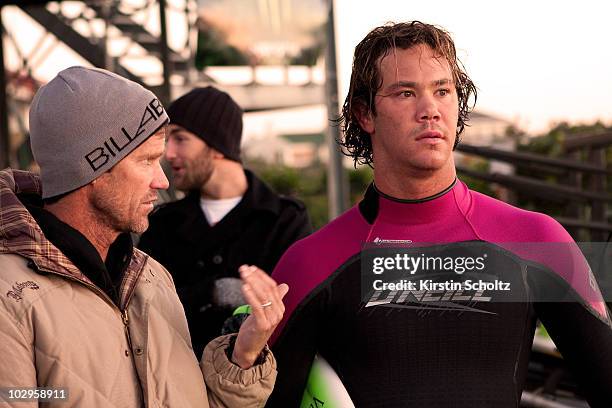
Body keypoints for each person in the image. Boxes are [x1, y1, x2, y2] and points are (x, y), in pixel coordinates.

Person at [266, 21, 612, 407]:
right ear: (365, 114)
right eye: (405, 93)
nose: (429, 109)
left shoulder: (537, 240)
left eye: (442, 91)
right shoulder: (310, 263)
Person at [0, 66, 287, 407]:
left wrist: (243, 356)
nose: (162, 181)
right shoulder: (9, 299)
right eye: (146, 161)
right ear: (92, 168)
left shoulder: (152, 278)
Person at [139, 86, 312, 357]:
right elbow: (144, 305)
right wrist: (212, 292)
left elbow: (296, 308)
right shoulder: (162, 223)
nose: (168, 153)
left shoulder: (284, 219)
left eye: (180, 139)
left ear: (217, 148)